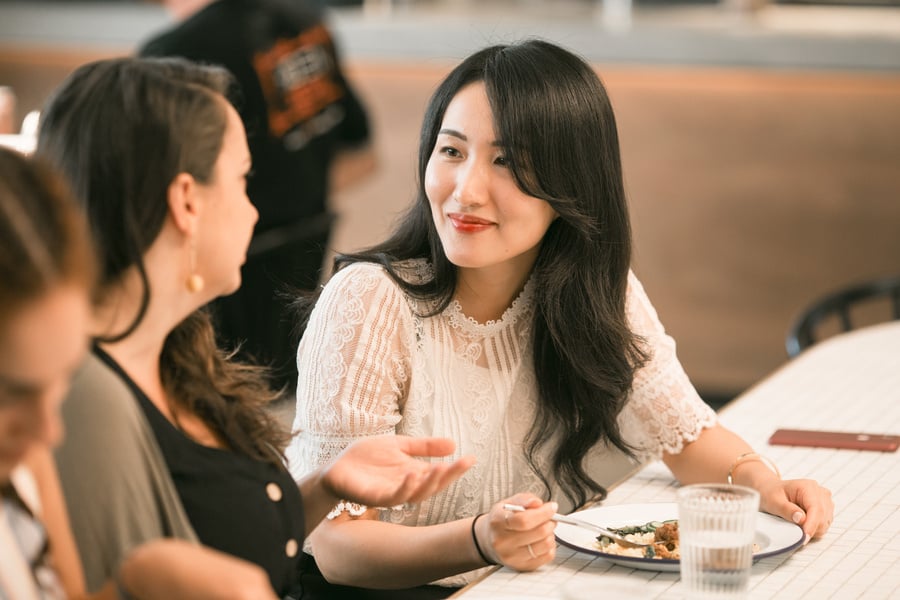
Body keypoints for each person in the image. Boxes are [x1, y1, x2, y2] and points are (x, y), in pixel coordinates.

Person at [285, 39, 835, 593]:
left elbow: (688, 436)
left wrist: (766, 486)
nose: (466, 191)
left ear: (570, 184)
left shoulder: (597, 292)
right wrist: (480, 540)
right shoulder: (369, 302)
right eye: (451, 152)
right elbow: (338, 546)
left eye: (507, 161)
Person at [34, 56, 472, 598]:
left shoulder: (175, 353)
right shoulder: (87, 396)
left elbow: (227, 538)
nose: (252, 209)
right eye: (243, 181)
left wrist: (327, 485)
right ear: (186, 202)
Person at [0, 146, 282, 600]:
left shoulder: (24, 462)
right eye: (9, 394)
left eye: (57, 383)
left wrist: (133, 580)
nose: (49, 432)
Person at [140, 0, 376, 393]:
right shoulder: (307, 24)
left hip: (220, 310)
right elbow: (363, 152)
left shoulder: (175, 53)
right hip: (296, 270)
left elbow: (142, 200)